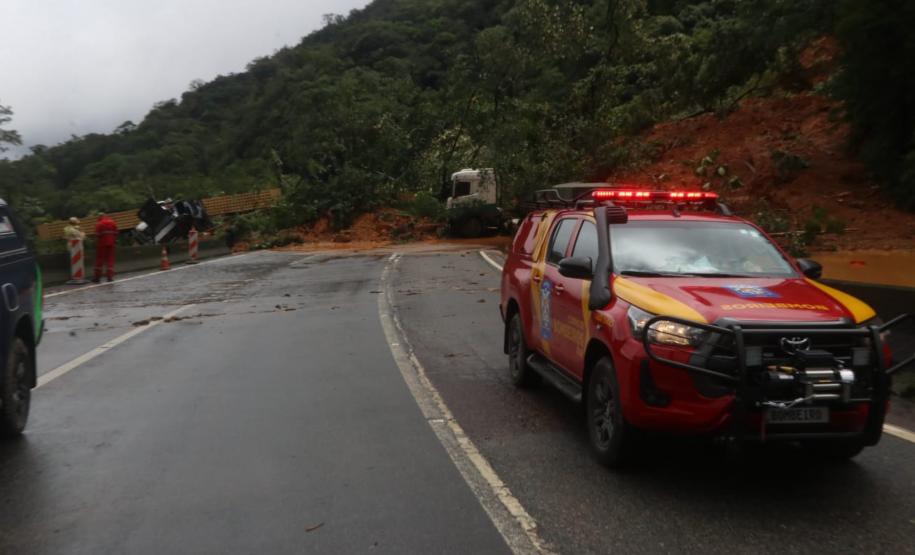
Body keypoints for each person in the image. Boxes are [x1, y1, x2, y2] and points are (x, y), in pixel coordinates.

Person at [93, 213, 118, 283]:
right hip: (111, 244)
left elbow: (97, 235)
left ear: (100, 217)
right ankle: (110, 277)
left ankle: (97, 277)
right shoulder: (113, 222)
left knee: (100, 260)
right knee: (110, 260)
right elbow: (116, 233)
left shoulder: (99, 224)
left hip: (102, 244)